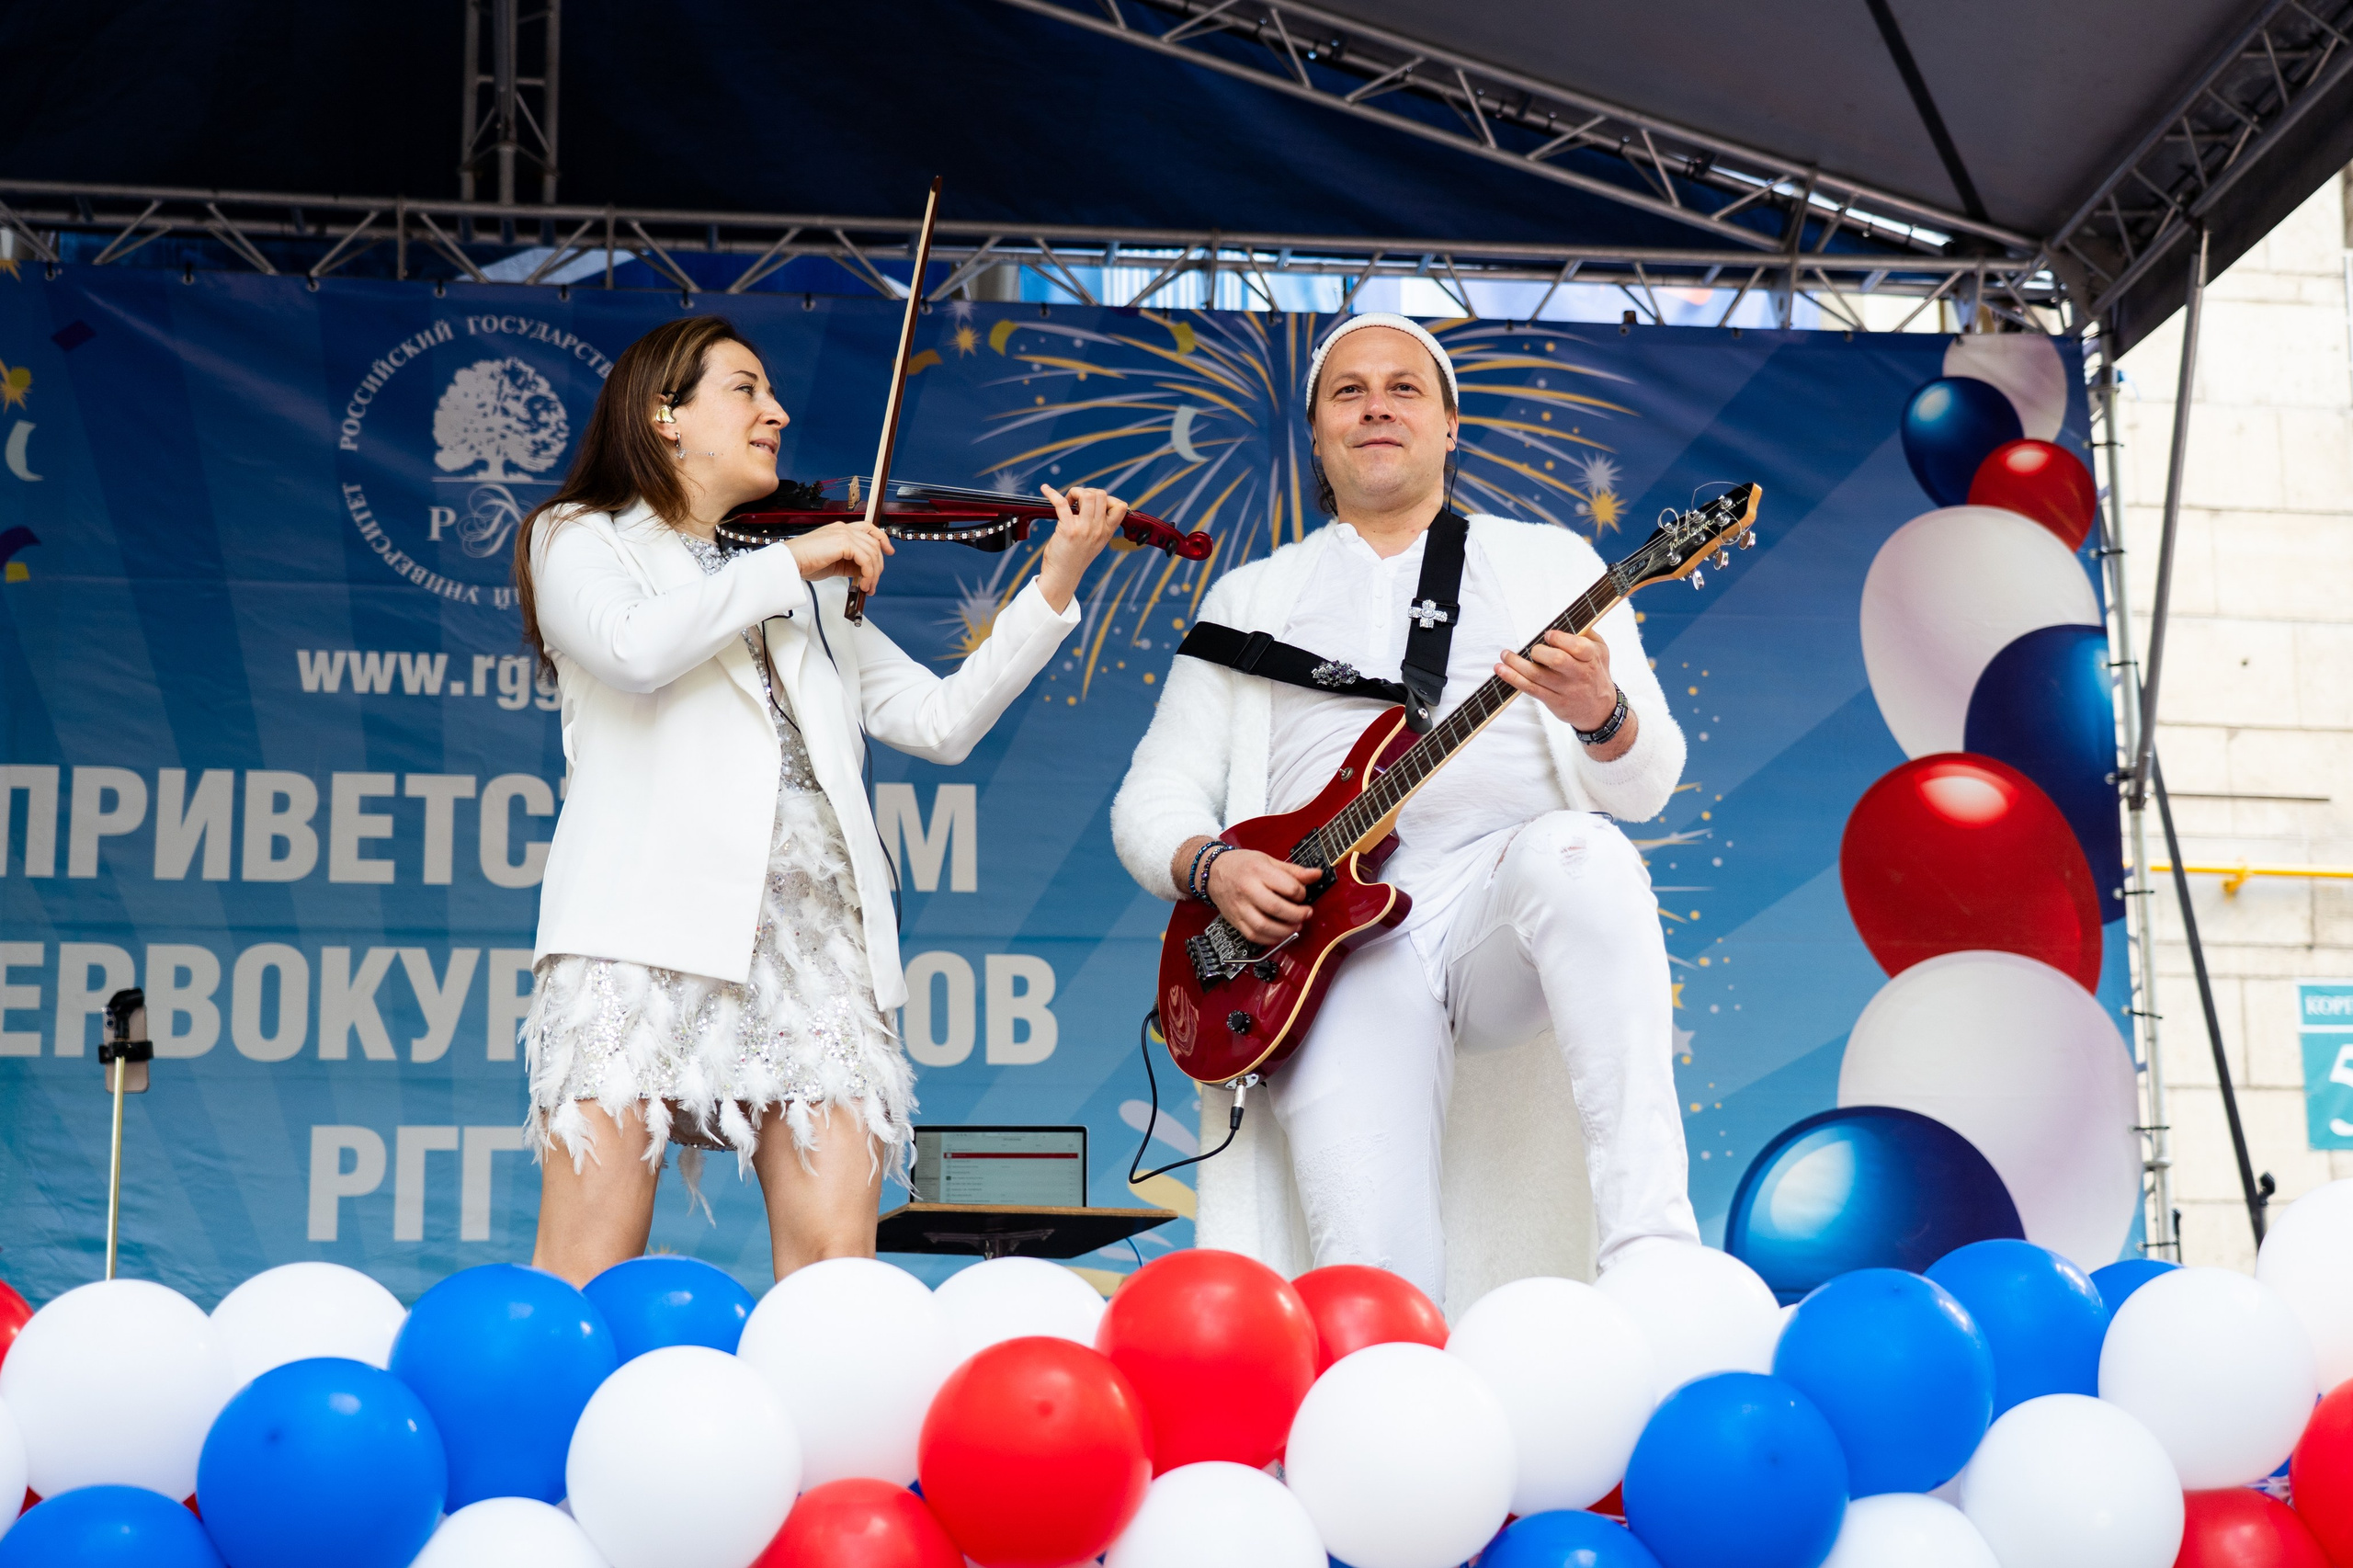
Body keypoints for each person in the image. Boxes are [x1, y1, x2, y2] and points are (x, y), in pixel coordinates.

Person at [514, 315, 1127, 1287]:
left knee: (834, 1271)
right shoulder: (581, 537)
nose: (778, 412)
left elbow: (937, 720)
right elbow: (633, 648)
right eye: (746, 389)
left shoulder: (793, 571)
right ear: (664, 416)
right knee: (588, 1262)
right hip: (640, 932)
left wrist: (1054, 584)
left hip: (814, 939)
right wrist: (791, 563)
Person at [1110, 313, 1700, 1305]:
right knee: (1369, 1275)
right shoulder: (1247, 599)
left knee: (1582, 855)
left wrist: (1600, 713)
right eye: (1348, 391)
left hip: (1499, 900)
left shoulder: (1552, 565)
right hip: (1333, 946)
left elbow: (1645, 787)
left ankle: (1653, 1257)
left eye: (1403, 387)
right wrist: (1214, 867)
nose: (1376, 404)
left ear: (1449, 426)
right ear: (1315, 434)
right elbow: (1150, 799)